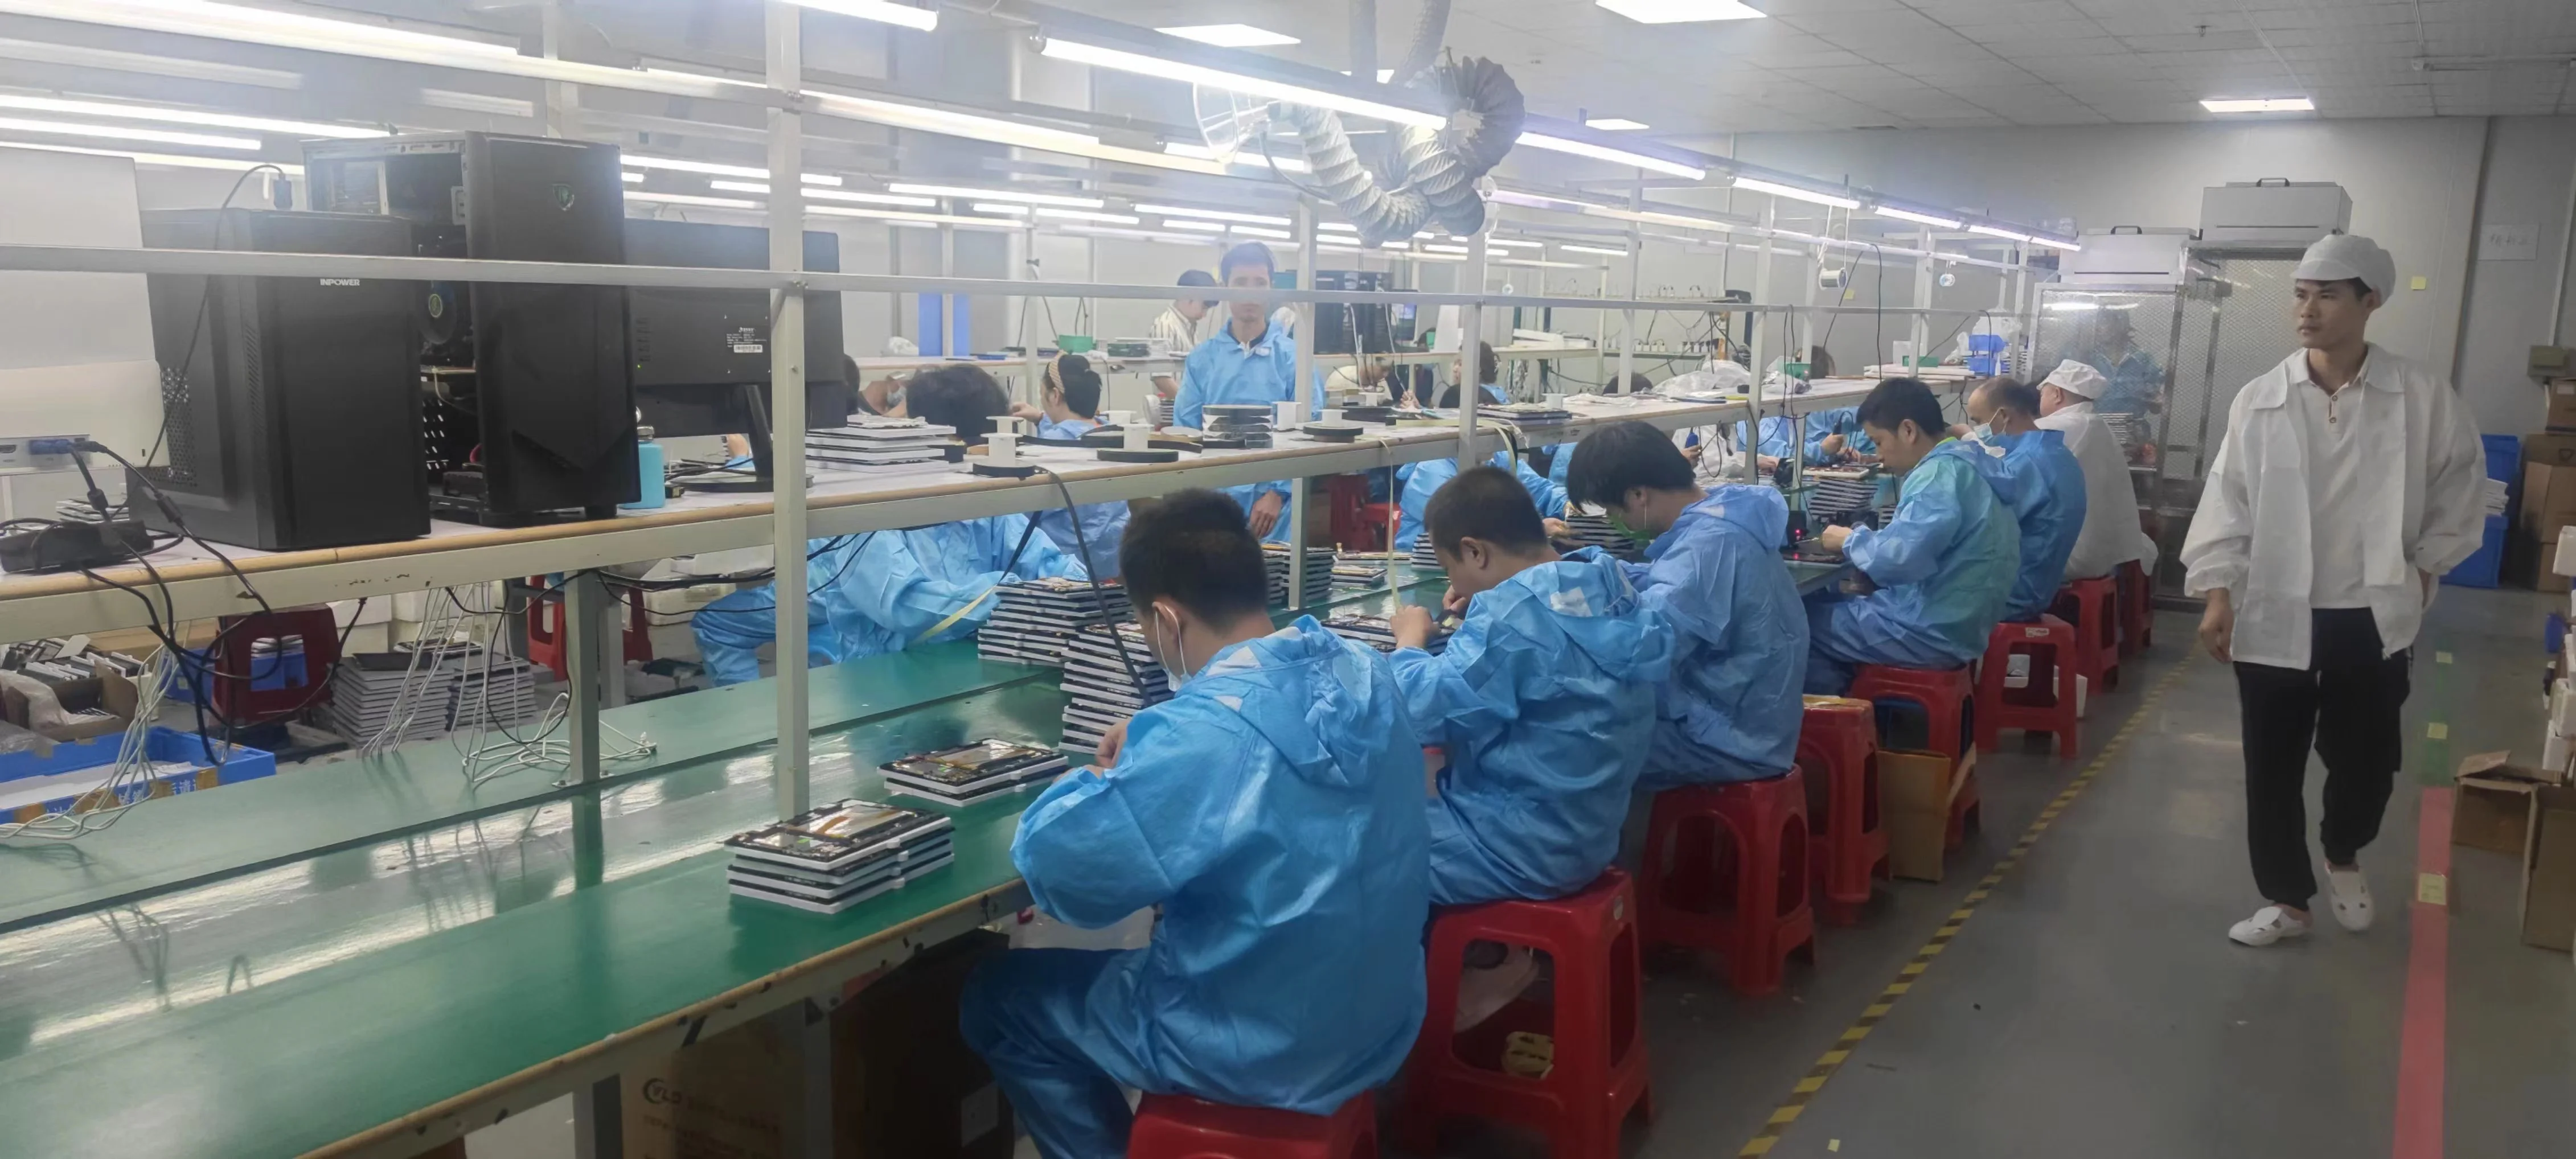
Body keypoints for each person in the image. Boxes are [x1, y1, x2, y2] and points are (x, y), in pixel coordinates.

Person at [960, 490, 1429, 1159]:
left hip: (1254, 1041)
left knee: (998, 1000)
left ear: (1164, 618)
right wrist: (1166, 734)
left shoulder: (1204, 735)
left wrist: (1097, 777)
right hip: (1377, 1015)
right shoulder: (1367, 670)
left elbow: (1063, 869)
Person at [2179, 233, 2487, 948]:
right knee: (2271, 765)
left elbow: (2461, 484)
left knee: (2366, 762)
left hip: (2370, 613)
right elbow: (2228, 497)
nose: (2307, 310)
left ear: (2370, 301)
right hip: (2274, 609)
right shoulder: (2262, 398)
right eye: (2300, 294)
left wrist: (2426, 567)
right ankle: (2288, 899)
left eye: (2327, 295)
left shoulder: (2420, 396)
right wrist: (2219, 591)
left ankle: (2343, 851)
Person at [690, 365, 1085, 685]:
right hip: (886, 690)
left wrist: (1046, 591)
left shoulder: (986, 500)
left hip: (964, 675)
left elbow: (1063, 572)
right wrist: (1017, 591)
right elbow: (903, 604)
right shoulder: (873, 506)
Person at [1385, 467, 1672, 904]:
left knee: (1366, 852)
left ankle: (1451, 947)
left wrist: (1409, 643)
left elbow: (1422, 710)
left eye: (1450, 569)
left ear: (1475, 552)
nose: (1453, 584)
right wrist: (1494, 599)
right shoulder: (1606, 581)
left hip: (1515, 847)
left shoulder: (1513, 618)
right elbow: (1547, 640)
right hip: (1589, 832)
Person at [1562, 421, 1808, 787]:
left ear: (1637, 495)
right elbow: (1662, 580)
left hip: (1728, 740)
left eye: (1611, 510)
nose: (1612, 521)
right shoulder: (1722, 514)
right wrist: (1581, 570)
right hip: (1743, 718)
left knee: (1565, 747)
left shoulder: (1710, 545)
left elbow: (1642, 650)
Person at [1804, 378, 2019, 694]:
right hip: (1963, 622)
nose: (1878, 455)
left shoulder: (1937, 477)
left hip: (1930, 631)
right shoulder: (1969, 462)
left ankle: (1839, 715)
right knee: (1833, 604)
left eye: (1878, 442)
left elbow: (1900, 558)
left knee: (1798, 621)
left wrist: (1849, 540)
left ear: (1908, 430)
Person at [1173, 242, 1318, 541]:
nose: (1250, 293)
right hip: (1214, 504)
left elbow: (1311, 432)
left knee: (1276, 571)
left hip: (1276, 512)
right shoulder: (1202, 360)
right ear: (1224, 288)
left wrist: (1278, 493)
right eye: (1240, 282)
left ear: (1271, 287)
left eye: (1260, 283)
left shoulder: (1295, 359)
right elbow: (1186, 433)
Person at [1962, 377, 2086, 622]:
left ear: (2003, 416)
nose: (1977, 430)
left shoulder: (2027, 464)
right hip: (2036, 585)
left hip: (2011, 593)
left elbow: (1977, 530)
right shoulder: (2056, 452)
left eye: (1977, 421)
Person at [2037, 359, 2159, 582]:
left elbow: (2004, 451)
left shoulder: (2061, 426)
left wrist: (1972, 435)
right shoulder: (2095, 425)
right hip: (2106, 551)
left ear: (2057, 394)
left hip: (2076, 555)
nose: (2040, 400)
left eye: (2042, 394)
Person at [1026, 354, 1131, 577]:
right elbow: (1073, 431)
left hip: (1063, 569)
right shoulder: (1113, 435)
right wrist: (1041, 419)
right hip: (1111, 564)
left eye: (1042, 394)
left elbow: (1024, 512)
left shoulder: (1046, 449)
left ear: (1055, 396)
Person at [1394, 448, 1566, 553]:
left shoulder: (1497, 456)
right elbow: (1464, 524)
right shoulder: (1432, 468)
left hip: (1480, 559)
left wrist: (1569, 505)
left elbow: (1540, 489)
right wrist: (1536, 529)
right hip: (1425, 567)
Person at [2081, 309, 2164, 417]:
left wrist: (2157, 398)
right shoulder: (2088, 359)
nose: (2097, 328)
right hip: (2093, 424)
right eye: (2095, 323)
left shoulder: (2142, 360)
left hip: (2132, 426)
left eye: (2103, 323)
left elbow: (2156, 408)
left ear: (2120, 325)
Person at [1149, 270, 1217, 400]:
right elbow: (1162, 378)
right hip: (1174, 408)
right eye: (1204, 308)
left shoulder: (1190, 328)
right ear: (1188, 297)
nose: (1204, 315)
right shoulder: (1166, 325)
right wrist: (1189, 403)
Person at [1436, 341, 1509, 408]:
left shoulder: (1456, 394)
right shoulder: (1500, 395)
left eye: (1460, 364)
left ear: (1478, 369)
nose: (1455, 369)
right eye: (1455, 363)